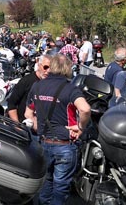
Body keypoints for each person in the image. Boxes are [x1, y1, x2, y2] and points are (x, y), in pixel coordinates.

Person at [24, 54, 91, 205]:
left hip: (43, 143)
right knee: (60, 187)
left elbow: (28, 113)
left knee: (45, 183)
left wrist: (38, 126)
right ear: (67, 68)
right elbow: (85, 109)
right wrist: (80, 127)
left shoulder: (37, 86)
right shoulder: (70, 89)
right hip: (65, 144)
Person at [7, 54, 51, 123]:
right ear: (39, 65)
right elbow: (11, 104)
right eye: (46, 67)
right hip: (23, 128)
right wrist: (17, 125)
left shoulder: (52, 85)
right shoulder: (26, 81)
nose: (48, 71)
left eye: (51, 68)